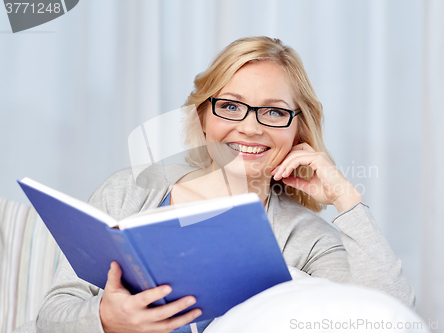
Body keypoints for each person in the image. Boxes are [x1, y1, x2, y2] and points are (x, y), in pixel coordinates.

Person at [32, 36, 415, 333]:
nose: (250, 127)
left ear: (298, 125)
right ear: (203, 117)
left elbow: (391, 320)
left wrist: (346, 198)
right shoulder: (128, 191)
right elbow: (51, 314)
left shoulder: (308, 239)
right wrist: (105, 318)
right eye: (230, 106)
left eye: (274, 111)